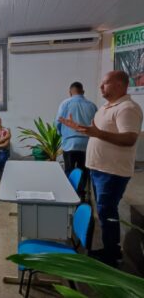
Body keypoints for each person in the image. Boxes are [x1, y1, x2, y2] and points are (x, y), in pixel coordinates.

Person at [59, 70, 143, 267]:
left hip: (111, 172)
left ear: (121, 85)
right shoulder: (105, 107)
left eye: (106, 83)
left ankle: (113, 255)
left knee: (107, 212)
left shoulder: (127, 108)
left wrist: (96, 132)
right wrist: (84, 129)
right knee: (104, 211)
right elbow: (98, 134)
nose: (100, 87)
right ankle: (109, 249)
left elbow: (130, 138)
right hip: (99, 169)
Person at [55, 82, 97, 197]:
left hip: (70, 144)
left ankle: (70, 195)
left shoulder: (65, 104)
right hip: (87, 145)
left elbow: (58, 123)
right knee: (83, 170)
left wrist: (62, 134)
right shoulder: (92, 105)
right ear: (83, 92)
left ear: (70, 92)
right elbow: (97, 125)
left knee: (69, 169)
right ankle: (81, 195)